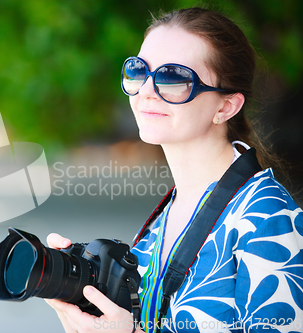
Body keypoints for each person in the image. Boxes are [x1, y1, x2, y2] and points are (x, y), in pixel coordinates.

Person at [45, 7, 303, 333]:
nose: (146, 91)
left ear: (225, 106)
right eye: (138, 72)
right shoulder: (165, 217)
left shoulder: (266, 216)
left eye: (173, 77)